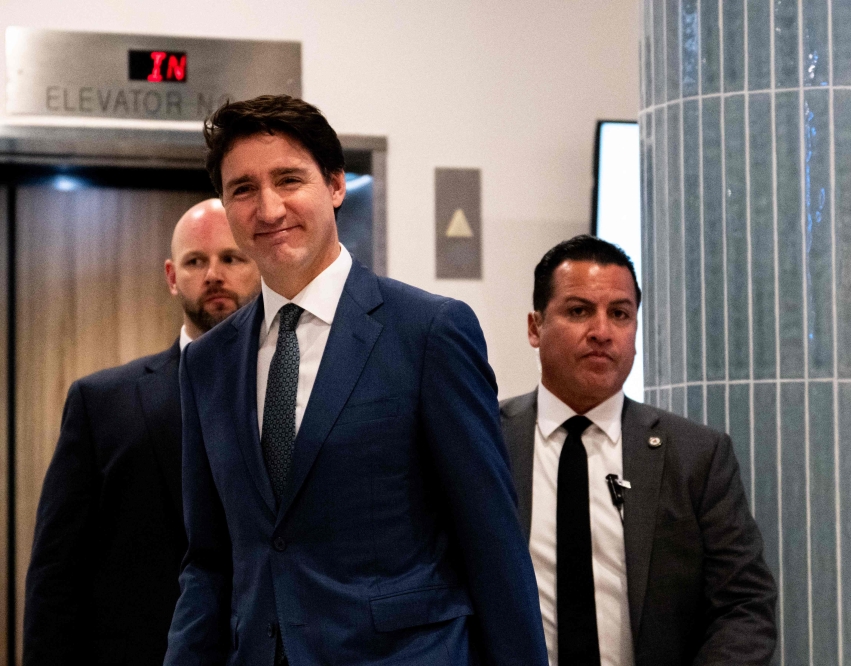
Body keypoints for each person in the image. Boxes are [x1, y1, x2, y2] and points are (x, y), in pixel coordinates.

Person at [164, 95, 546, 666]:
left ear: (336, 185)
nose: (268, 209)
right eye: (243, 189)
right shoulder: (207, 362)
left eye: (289, 179)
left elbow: (492, 544)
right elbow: (210, 561)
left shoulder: (429, 333)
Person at [500, 235, 777, 666]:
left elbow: (743, 606)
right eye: (578, 311)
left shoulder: (696, 456)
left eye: (620, 314)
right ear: (536, 327)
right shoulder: (485, 442)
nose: (602, 332)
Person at [23, 199, 261, 666]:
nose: (215, 274)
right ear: (173, 277)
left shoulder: (298, 395)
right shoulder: (101, 402)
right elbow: (56, 574)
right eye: (196, 261)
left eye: (232, 258)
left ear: (261, 268)